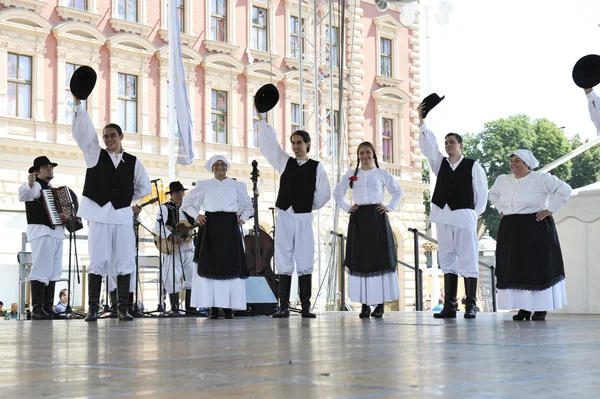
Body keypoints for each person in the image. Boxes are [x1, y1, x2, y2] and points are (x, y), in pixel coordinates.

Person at [72, 96, 151, 322]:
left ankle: (122, 308)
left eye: (112, 136)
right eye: (105, 136)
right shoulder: (95, 154)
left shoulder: (133, 161)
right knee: (98, 259)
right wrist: (78, 104)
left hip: (122, 215)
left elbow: (144, 187)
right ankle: (93, 309)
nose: (108, 139)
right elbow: (84, 135)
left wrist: (125, 198)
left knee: (125, 260)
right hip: (98, 213)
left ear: (121, 137)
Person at [418, 102, 488, 319]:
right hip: (443, 216)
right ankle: (450, 306)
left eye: (452, 142)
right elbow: (429, 147)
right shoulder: (440, 164)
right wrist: (422, 122)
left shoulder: (472, 165)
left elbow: (481, 193)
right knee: (447, 259)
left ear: (461, 145)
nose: (448, 145)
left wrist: (472, 214)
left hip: (464, 216)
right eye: (446, 142)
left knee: (468, 260)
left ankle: (471, 305)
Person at [256, 117, 331, 318]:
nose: (296, 146)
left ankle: (306, 305)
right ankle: (284, 305)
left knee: (305, 257)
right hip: (284, 215)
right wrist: (263, 123)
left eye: (299, 142)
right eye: (293, 143)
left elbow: (324, 193)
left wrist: (307, 206)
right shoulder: (285, 162)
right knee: (283, 257)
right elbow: (270, 148)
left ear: (307, 144)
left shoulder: (317, 167)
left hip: (304, 217)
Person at [489, 150, 571, 321]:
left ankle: (541, 308)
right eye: (511, 161)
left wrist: (550, 210)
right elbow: (493, 194)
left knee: (536, 267)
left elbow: (565, 189)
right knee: (516, 268)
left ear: (526, 163)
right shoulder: (503, 180)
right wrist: (500, 210)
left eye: (517, 161)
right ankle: (524, 308)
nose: (513, 164)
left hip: (535, 226)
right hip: (511, 228)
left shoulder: (540, 178)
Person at [333, 141, 403, 319]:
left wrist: (389, 207)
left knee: (378, 260)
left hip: (377, 218)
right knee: (361, 261)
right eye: (361, 153)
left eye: (367, 153)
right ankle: (364, 305)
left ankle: (379, 305)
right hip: (358, 219)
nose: (364, 156)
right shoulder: (351, 175)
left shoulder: (382, 173)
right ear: (358, 156)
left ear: (374, 155)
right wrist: (347, 207)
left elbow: (397, 191)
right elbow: (337, 193)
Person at [182, 155, 254, 319]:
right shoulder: (204, 185)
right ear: (212, 168)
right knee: (210, 266)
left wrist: (242, 217)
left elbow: (248, 207)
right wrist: (197, 216)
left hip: (230, 226)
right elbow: (187, 204)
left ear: (227, 167)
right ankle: (213, 307)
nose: (220, 168)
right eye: (216, 165)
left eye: (222, 165)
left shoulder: (237, 186)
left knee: (231, 266)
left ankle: (229, 308)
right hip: (210, 228)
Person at [18, 156, 75, 320]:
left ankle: (47, 307)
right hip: (42, 230)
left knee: (53, 271)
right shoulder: (35, 186)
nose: (50, 169)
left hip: (56, 233)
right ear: (36, 171)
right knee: (41, 269)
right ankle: (37, 309)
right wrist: (30, 182)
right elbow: (24, 194)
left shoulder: (53, 190)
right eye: (45, 167)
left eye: (51, 167)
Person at [155, 181, 198, 314]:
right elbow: (158, 227)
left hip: (189, 248)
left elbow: (196, 223)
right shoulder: (165, 208)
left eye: (182, 192)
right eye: (177, 193)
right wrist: (171, 236)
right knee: (172, 278)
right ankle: (174, 307)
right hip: (173, 249)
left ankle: (190, 308)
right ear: (172, 194)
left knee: (191, 277)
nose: (180, 195)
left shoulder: (190, 208)